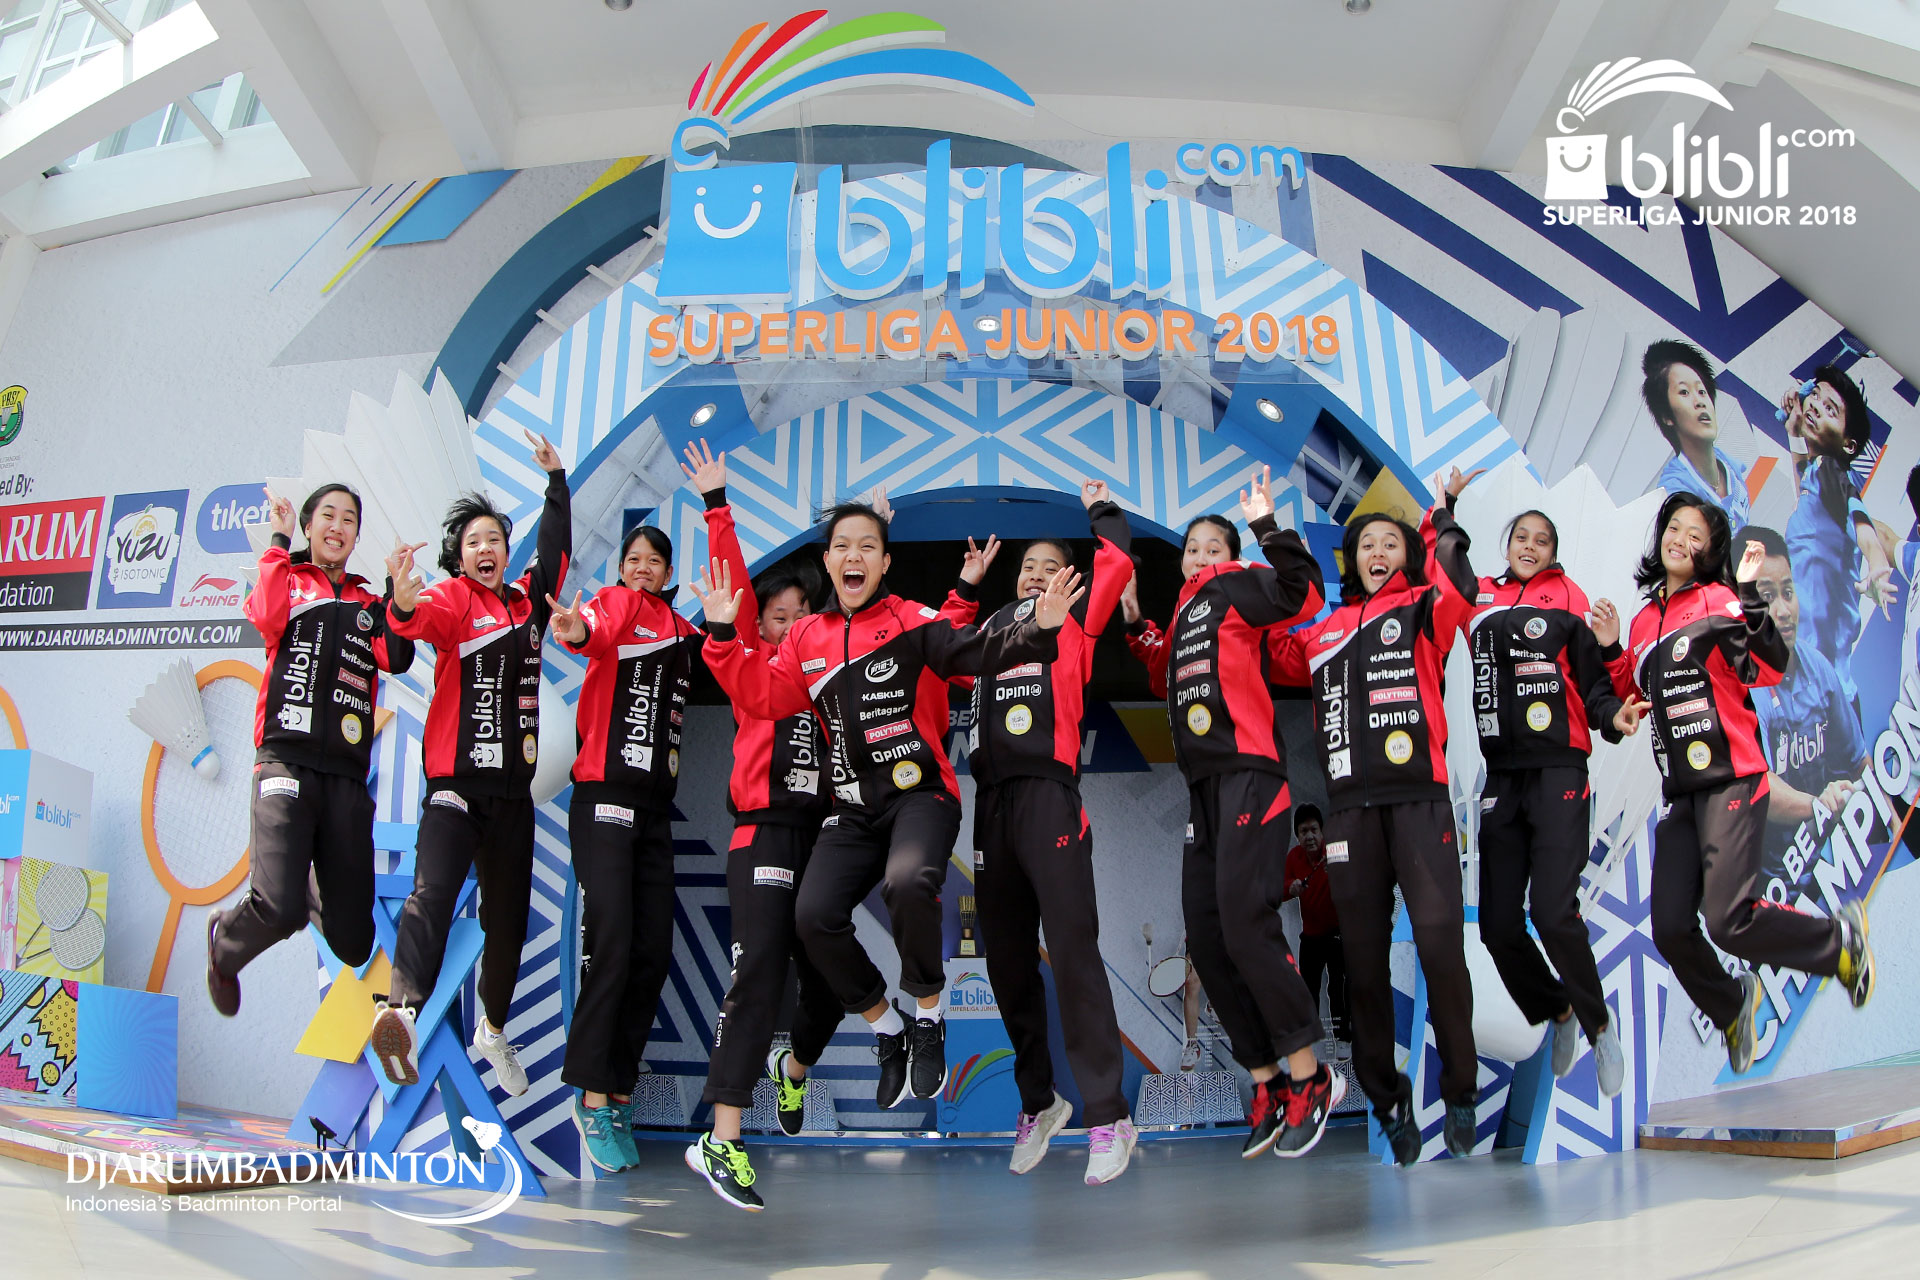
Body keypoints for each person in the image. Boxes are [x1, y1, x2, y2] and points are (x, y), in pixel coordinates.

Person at [699, 503, 1081, 1142]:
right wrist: (718, 635)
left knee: (907, 882)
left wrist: (1038, 630)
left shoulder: (908, 619)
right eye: (842, 546)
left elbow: (972, 650)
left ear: (885, 563)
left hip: (921, 797)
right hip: (851, 811)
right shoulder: (805, 638)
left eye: (868, 546)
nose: (854, 556)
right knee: (812, 917)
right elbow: (761, 695)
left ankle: (928, 1015)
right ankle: (887, 1027)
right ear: (829, 562)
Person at [1593, 492, 1873, 1075]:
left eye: (1695, 535)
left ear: (1710, 551)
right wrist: (1615, 648)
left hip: (1733, 780)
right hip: (1680, 795)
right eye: (1674, 528)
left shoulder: (1720, 600)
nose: (1680, 540)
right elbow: (1636, 695)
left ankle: (1838, 945)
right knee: (1671, 928)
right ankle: (1731, 1006)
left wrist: (1747, 596)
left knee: (1728, 920)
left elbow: (1765, 667)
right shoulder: (1644, 621)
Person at [1124, 468, 1343, 1160]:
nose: (1200, 557)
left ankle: (1311, 1075)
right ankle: (1267, 1080)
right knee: (1209, 939)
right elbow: (1161, 672)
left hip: (1250, 774)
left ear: (1230, 556)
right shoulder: (1188, 614)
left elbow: (1300, 592)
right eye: (1192, 549)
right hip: (1203, 790)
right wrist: (1133, 622)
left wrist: (1266, 526)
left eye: (1212, 547)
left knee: (1248, 922)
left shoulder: (1233, 585)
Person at [1268, 479, 1480, 1165]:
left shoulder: (1423, 609)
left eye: (1391, 543)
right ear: (1352, 561)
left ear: (1407, 556)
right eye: (1367, 545)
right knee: (1360, 966)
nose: (1379, 552)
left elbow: (1461, 588)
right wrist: (1269, 535)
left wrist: (1442, 518)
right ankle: (1387, 1101)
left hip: (1420, 800)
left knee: (1441, 946)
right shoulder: (1323, 631)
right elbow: (1268, 640)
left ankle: (1461, 1089)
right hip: (1350, 816)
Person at [369, 430, 570, 1096]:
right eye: (474, 542)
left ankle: (493, 1028)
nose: (486, 549)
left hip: (512, 798)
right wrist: (400, 601)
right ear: (460, 556)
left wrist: (557, 484)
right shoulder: (453, 600)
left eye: (495, 540)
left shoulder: (527, 605)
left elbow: (555, 553)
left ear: (507, 553)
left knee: (507, 924)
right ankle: (400, 1013)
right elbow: (411, 624)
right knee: (432, 893)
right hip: (455, 787)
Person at [678, 442, 844, 1212]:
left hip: (823, 840)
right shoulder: (753, 667)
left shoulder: (827, 682)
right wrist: (717, 506)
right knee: (758, 980)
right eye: (780, 618)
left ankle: (794, 1071)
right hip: (762, 837)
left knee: (832, 981)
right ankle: (723, 1138)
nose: (792, 627)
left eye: (803, 617)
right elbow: (737, 596)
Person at [1446, 474, 1645, 1099]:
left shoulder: (1570, 599)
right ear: (1506, 546)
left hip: (1560, 769)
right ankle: (1557, 1009)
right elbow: (1445, 570)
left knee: (1553, 914)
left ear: (1554, 552)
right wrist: (1447, 508)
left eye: (1541, 540)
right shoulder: (1480, 599)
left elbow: (1595, 684)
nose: (1529, 546)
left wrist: (1613, 717)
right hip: (1500, 778)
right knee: (1497, 926)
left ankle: (1599, 1026)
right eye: (1521, 538)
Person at [964, 480, 1138, 1185]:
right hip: (990, 806)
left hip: (1050, 798)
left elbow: (1117, 560)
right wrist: (965, 586)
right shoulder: (989, 631)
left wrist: (1100, 512)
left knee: (1071, 955)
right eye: (1027, 566)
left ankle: (1109, 1115)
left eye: (1049, 566)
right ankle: (1040, 1101)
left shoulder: (1076, 622)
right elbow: (936, 650)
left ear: (1068, 578)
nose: (1036, 574)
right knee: (1007, 965)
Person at [206, 484, 416, 1015]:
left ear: (357, 536)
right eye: (328, 515)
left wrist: (398, 600)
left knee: (355, 942)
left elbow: (395, 657)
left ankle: (301, 883)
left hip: (346, 778)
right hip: (285, 760)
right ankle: (224, 944)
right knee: (278, 911)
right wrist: (278, 543)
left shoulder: (369, 603)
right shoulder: (289, 579)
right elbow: (265, 615)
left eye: (349, 519)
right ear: (308, 526)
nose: (338, 527)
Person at [543, 504, 702, 1176]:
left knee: (651, 953)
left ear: (668, 572)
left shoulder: (682, 631)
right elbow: (591, 629)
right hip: (603, 800)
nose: (641, 569)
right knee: (610, 945)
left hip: (655, 810)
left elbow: (730, 656)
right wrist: (576, 628)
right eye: (632, 559)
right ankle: (590, 1096)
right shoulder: (614, 603)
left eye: (652, 562)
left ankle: (619, 1092)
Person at [1739, 525, 1869, 889]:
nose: (1783, 611)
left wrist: (1892, 828)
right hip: (1775, 885)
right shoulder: (1741, 690)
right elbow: (1760, 787)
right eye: (1767, 597)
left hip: (1833, 861)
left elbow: (1859, 761)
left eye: (1788, 592)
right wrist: (1820, 806)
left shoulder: (1819, 668)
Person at [1780, 366, 1897, 706]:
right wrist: (1793, 430)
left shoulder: (1833, 472)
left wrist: (1877, 563)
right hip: (1816, 681)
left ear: (1849, 444)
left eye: (1830, 409)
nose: (1815, 406)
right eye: (1815, 395)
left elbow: (1859, 519)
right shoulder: (1817, 478)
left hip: (1823, 692)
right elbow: (1805, 484)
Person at [1644, 340, 1750, 529]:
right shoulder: (1675, 491)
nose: (1700, 402)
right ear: (1667, 416)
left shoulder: (1730, 466)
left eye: (1702, 391)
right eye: (1684, 392)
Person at [1280, 804, 1348, 1048]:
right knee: (1308, 989)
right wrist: (1291, 888)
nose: (1309, 836)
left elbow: (1357, 878)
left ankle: (1343, 1038)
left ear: (1322, 831)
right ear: (1297, 836)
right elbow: (1278, 891)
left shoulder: (1337, 850)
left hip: (1339, 934)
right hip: (1310, 937)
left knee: (1339, 988)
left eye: (1313, 830)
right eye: (1303, 831)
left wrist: (1340, 872)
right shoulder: (1293, 858)